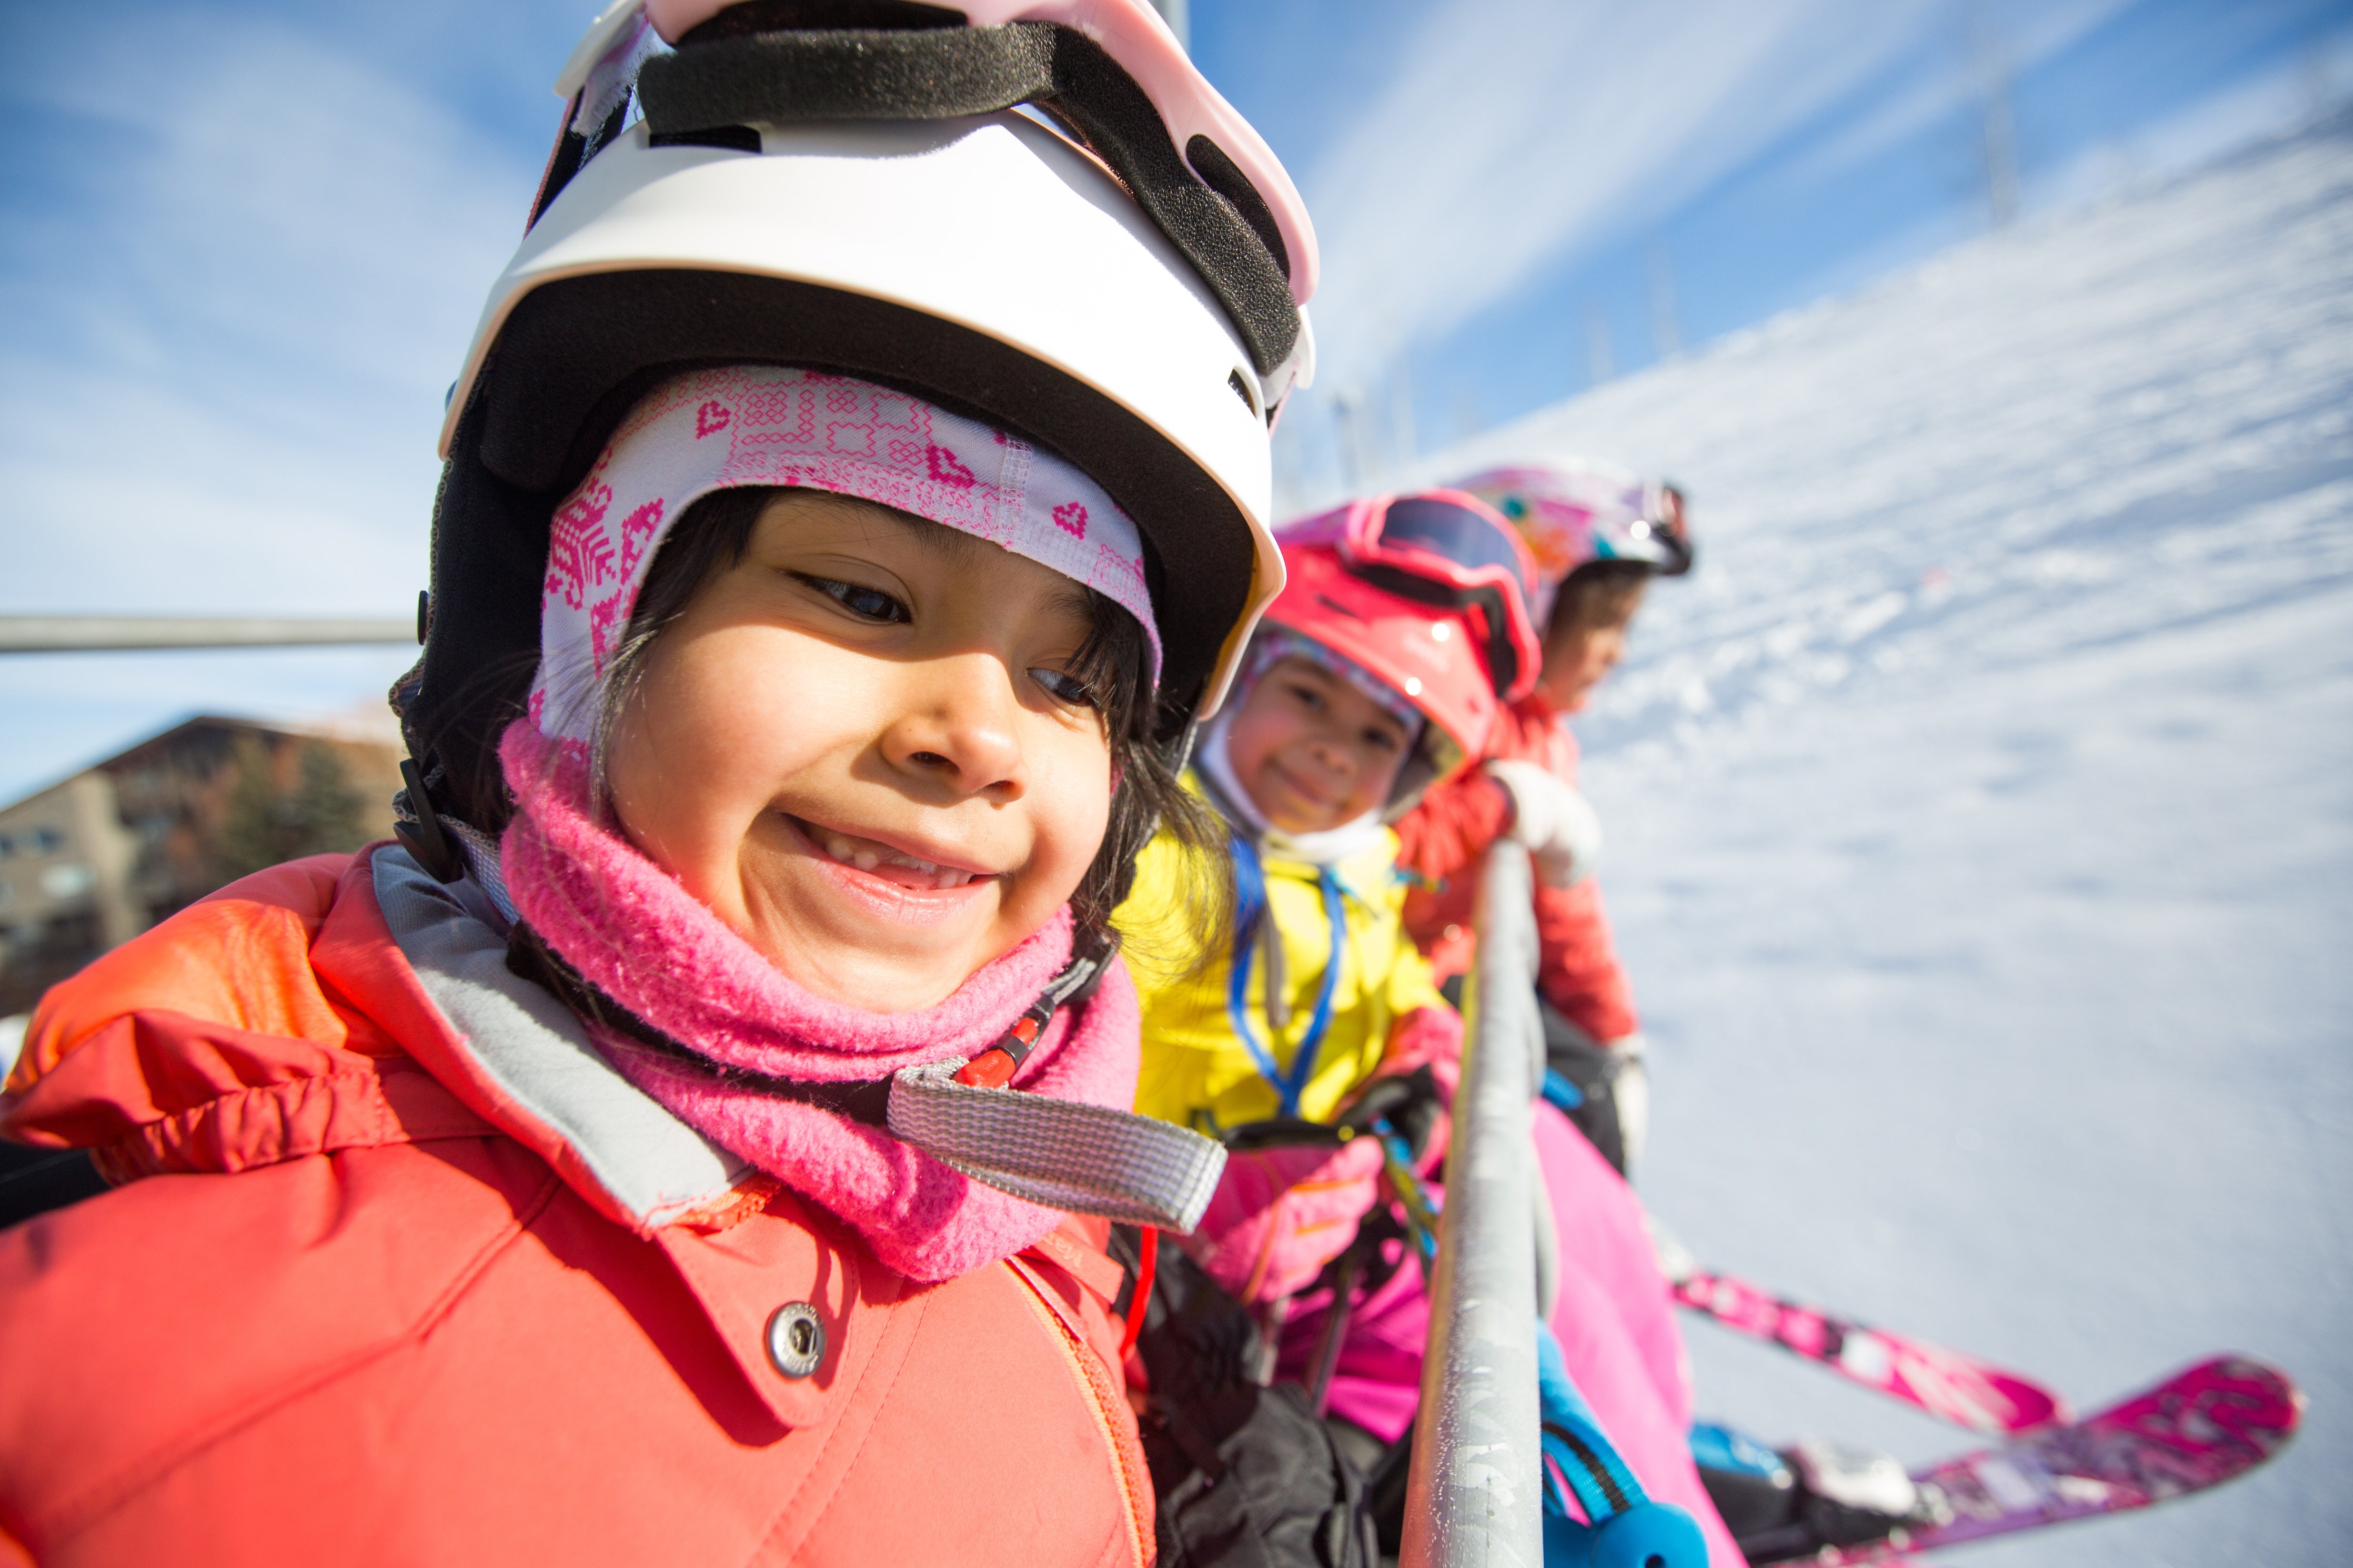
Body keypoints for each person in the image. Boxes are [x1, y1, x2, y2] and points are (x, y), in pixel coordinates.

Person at [0, 2, 1321, 1562]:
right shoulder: (168, 1318)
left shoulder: (1034, 1167)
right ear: (580, 623)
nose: (978, 733)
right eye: (865, 595)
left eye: (1072, 679)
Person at [1120, 491, 1746, 1565]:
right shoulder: (1152, 859)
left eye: (1376, 737)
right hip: (1166, 1272)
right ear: (1234, 684)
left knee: (1535, 1333)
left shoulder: (1351, 864)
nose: (1332, 752)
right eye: (1307, 695)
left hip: (1320, 1249)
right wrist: (1207, 1210)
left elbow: (1388, 975)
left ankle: (1618, 1491)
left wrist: (1421, 1048)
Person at [1393, 460, 1695, 1177]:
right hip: (1403, 977)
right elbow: (1394, 846)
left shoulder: (1540, 738)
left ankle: (1603, 1226)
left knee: (1587, 1077)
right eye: (1604, 623)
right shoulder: (1452, 715)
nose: (1615, 652)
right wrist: (1499, 804)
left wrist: (1614, 1030)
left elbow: (1568, 908)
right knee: (1565, 1092)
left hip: (1463, 966)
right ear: (1535, 602)